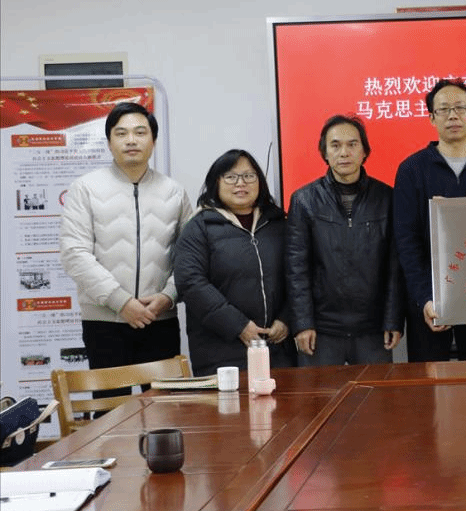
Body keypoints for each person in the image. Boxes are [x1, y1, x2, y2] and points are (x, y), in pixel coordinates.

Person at [60, 102, 192, 393]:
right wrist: (121, 301)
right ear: (109, 142)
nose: (131, 140)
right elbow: (74, 253)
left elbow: (190, 258)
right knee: (111, 411)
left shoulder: (174, 192)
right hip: (105, 321)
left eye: (140, 132)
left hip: (159, 318)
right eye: (121, 133)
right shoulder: (85, 188)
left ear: (153, 140)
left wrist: (168, 296)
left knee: (165, 408)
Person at [394, 78, 466, 362]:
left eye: (460, 108)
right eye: (444, 109)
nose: (453, 116)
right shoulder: (412, 169)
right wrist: (425, 297)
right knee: (429, 380)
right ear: (431, 118)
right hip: (430, 298)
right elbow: (407, 241)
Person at [286, 115, 404, 365]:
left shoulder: (387, 198)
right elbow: (297, 269)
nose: (344, 153)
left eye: (352, 144)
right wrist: (303, 323)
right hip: (322, 329)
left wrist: (393, 319)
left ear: (364, 151)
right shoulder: (304, 201)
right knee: (320, 392)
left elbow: (394, 265)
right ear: (325, 153)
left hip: (372, 328)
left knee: (374, 391)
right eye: (335, 145)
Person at [174, 149, 295, 376]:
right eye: (230, 177)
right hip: (221, 352)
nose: (241, 183)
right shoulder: (199, 227)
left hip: (278, 349)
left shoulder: (279, 223)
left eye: (249, 176)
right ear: (216, 183)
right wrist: (239, 326)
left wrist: (286, 319)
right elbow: (190, 282)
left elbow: (298, 275)